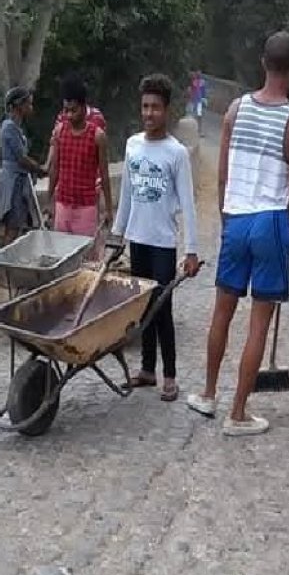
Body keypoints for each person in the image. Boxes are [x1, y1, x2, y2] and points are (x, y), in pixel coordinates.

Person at [187, 31, 289, 436]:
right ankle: (238, 414)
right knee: (258, 322)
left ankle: (208, 395)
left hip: (236, 218)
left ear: (263, 63)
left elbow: (223, 175)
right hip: (271, 222)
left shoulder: (235, 111)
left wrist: (227, 218)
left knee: (222, 312)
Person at [112, 73, 201, 402]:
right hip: (138, 238)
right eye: (145, 107)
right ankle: (147, 370)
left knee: (162, 307)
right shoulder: (133, 145)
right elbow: (126, 196)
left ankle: (170, 375)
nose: (149, 113)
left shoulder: (176, 153)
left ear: (167, 110)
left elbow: (189, 205)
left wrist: (191, 251)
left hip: (163, 241)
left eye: (156, 108)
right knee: (142, 305)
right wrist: (116, 235)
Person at [48, 75, 113, 238]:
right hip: (63, 204)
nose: (69, 115)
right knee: (62, 253)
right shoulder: (59, 132)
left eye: (73, 110)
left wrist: (109, 209)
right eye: (66, 110)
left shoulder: (98, 136)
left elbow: (104, 175)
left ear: (84, 108)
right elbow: (55, 168)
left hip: (86, 207)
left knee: (86, 256)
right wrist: (50, 201)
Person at [0, 87, 47, 243]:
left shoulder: (15, 127)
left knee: (18, 225)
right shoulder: (9, 127)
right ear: (19, 105)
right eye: (28, 104)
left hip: (18, 179)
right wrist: (39, 169)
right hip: (13, 181)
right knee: (13, 226)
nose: (31, 107)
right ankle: (6, 262)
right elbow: (21, 158)